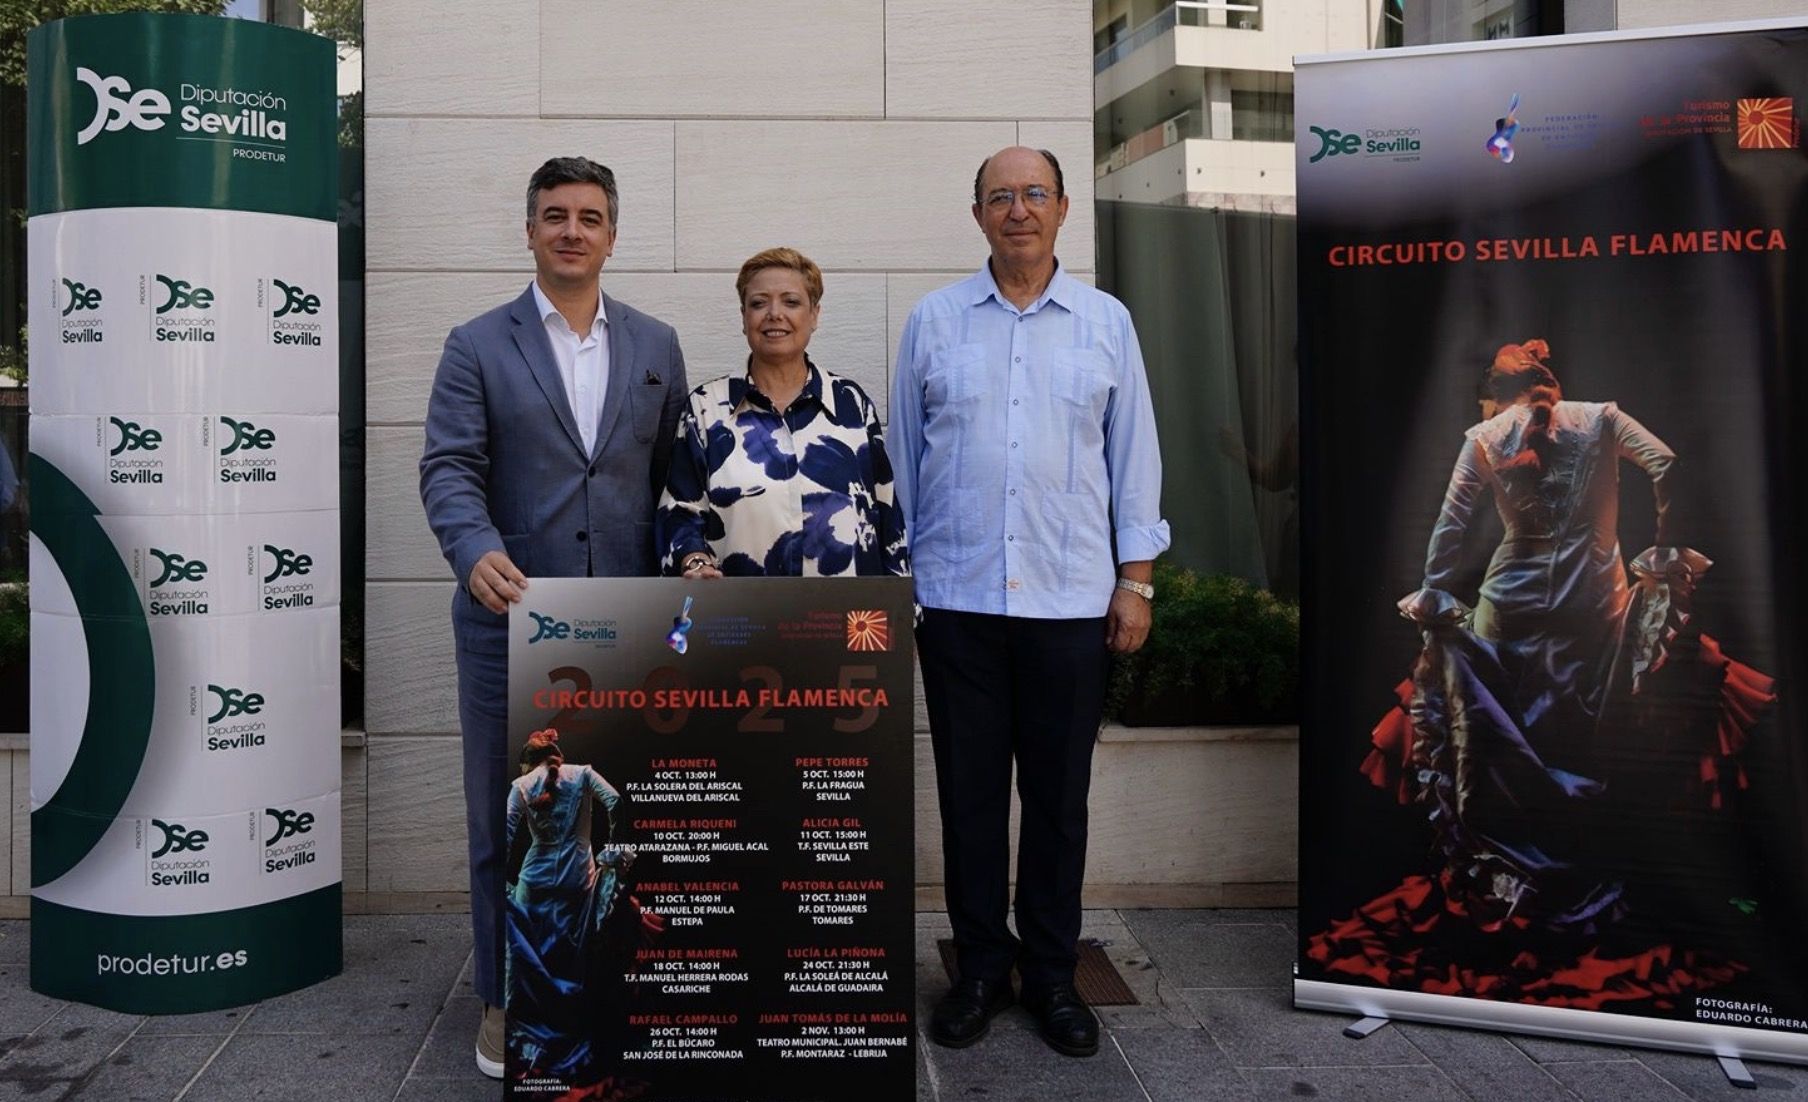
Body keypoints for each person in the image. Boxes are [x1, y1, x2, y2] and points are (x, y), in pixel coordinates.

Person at [1309, 339, 1775, 1004]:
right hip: (1594, 603)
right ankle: (1576, 902)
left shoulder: (1482, 435)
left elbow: (1449, 529)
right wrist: (1665, 547)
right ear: (1546, 379)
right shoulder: (1605, 417)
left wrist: (1439, 597)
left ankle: (1512, 897)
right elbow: (1667, 463)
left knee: (1504, 752)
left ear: (1498, 393)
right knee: (1578, 749)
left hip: (1510, 606)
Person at [890, 147, 1170, 1058]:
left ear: (1061, 213)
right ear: (976, 215)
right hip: (958, 601)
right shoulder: (934, 322)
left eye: (1034, 194)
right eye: (1000, 197)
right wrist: (902, 593)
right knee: (970, 800)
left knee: (1057, 801)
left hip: (1068, 603)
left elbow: (1135, 460)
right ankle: (977, 970)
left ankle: (1051, 975)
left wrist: (1136, 583)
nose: (1018, 210)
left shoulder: (1105, 322)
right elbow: (903, 467)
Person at [419, 155, 688, 1078]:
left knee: (619, 820)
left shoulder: (657, 345)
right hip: (512, 622)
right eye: (554, 215)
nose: (571, 230)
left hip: (625, 626)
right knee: (511, 819)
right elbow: (448, 467)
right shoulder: (477, 343)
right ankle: (505, 1000)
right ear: (528, 230)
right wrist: (471, 547)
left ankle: (616, 980)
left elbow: (674, 484)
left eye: (589, 216)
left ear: (614, 233)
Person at [656, 247, 908, 580]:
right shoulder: (704, 408)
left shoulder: (850, 404)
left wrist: (904, 617)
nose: (774, 314)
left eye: (791, 302)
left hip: (844, 622)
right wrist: (694, 562)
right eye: (759, 303)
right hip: (740, 620)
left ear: (814, 315)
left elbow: (887, 517)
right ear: (744, 317)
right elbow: (679, 513)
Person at [505, 729, 626, 1082]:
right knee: (572, 958)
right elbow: (616, 801)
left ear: (529, 761)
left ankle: (531, 1034)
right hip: (578, 876)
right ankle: (572, 1028)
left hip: (536, 879)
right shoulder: (584, 774)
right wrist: (614, 850)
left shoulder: (522, 784)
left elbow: (506, 832)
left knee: (531, 959)